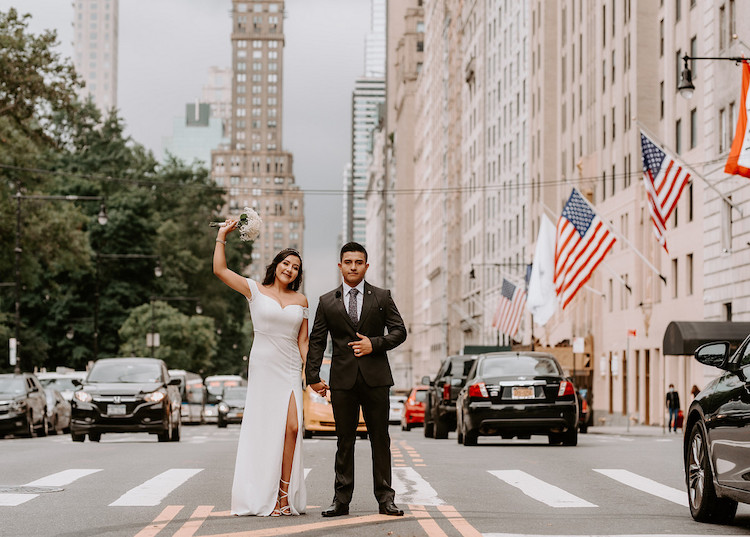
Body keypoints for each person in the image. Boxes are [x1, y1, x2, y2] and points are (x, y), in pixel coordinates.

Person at [213, 218, 308, 517]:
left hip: (290, 367)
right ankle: (264, 494)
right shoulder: (254, 290)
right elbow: (220, 270)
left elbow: (304, 341)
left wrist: (312, 373)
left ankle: (283, 494)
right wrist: (221, 236)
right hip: (263, 367)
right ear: (276, 265)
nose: (289, 269)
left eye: (295, 267)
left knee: (292, 427)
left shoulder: (302, 299)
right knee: (265, 430)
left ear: (297, 274)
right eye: (286, 263)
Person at [306, 242, 407, 517]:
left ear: (366, 266)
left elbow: (400, 332)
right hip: (342, 381)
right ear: (340, 266)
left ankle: (386, 499)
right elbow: (317, 340)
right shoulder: (327, 301)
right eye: (348, 262)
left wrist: (374, 344)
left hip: (376, 380)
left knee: (380, 440)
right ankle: (341, 500)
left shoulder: (382, 297)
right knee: (344, 441)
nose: (353, 266)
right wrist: (312, 376)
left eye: (358, 262)